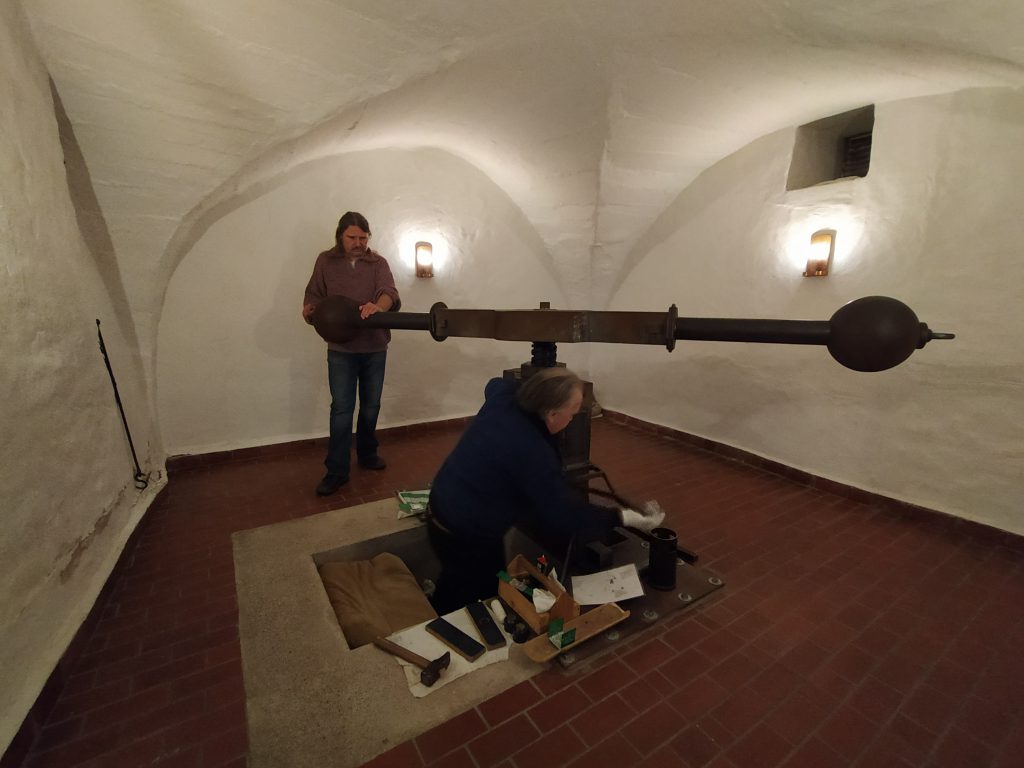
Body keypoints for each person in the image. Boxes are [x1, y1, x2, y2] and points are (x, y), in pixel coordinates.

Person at [425, 367, 665, 614]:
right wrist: (623, 517)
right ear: (552, 414)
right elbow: (567, 515)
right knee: (482, 592)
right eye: (572, 413)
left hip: (439, 508)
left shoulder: (504, 397)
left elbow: (494, 383)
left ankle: (439, 603)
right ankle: (449, 622)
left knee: (457, 577)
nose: (573, 419)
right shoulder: (532, 453)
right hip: (464, 534)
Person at [302, 211, 401, 496]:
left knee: (371, 406)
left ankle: (368, 455)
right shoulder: (326, 261)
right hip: (341, 349)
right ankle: (336, 470)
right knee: (342, 410)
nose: (358, 242)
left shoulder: (378, 263)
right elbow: (313, 297)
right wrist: (309, 312)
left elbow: (388, 291)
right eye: (352, 237)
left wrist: (378, 306)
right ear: (340, 237)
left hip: (374, 346)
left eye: (363, 237)